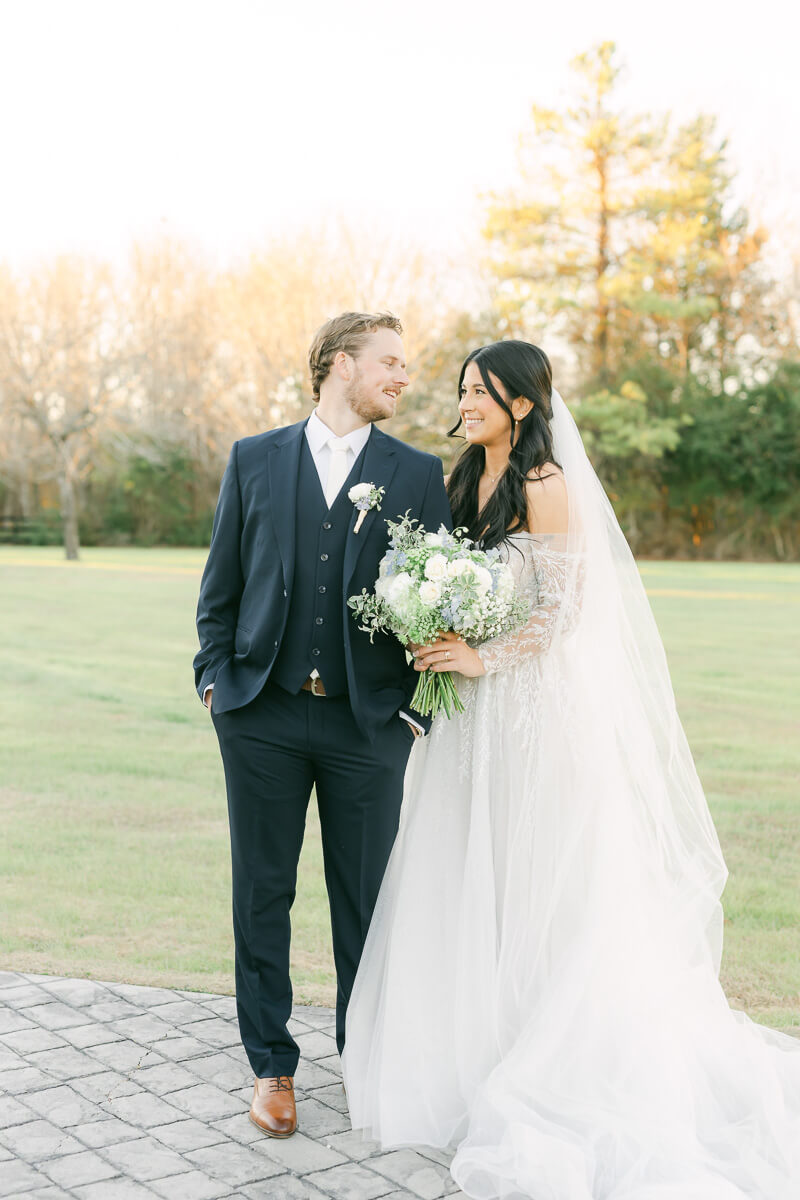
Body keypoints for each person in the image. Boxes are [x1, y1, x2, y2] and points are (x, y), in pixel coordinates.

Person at [342, 339, 800, 1197]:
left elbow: (566, 608)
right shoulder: (459, 478)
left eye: (480, 392)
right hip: (468, 718)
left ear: (520, 403)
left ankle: (544, 1061)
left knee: (536, 879)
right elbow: (453, 577)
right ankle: (465, 1055)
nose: (465, 401)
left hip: (528, 712)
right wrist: (428, 621)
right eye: (462, 390)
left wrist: (483, 658)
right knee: (465, 873)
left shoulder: (546, 486)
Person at [194, 311, 451, 1139]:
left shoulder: (417, 473)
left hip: (368, 725)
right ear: (340, 364)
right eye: (390, 362)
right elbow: (220, 587)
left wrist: (413, 710)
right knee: (262, 893)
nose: (404, 377)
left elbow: (441, 599)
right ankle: (271, 1067)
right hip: (261, 717)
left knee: (367, 904)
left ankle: (366, 1061)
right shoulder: (254, 458)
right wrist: (214, 683)